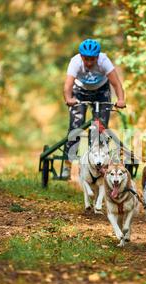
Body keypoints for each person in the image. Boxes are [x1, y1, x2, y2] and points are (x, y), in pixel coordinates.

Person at [61, 39, 126, 179]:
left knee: (99, 129)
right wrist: (68, 99)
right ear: (81, 56)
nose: (89, 63)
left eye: (92, 59)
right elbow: (67, 86)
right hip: (79, 91)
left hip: (101, 91)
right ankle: (67, 165)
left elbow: (116, 84)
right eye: (86, 59)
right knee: (75, 128)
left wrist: (121, 99)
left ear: (97, 57)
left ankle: (98, 165)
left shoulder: (104, 61)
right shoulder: (75, 62)